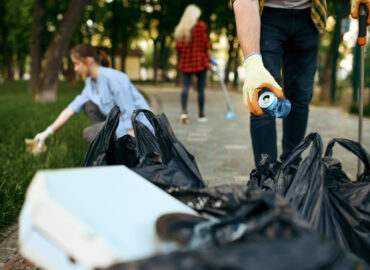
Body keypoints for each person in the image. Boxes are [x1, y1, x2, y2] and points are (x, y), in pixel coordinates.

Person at [232, 0, 327, 165]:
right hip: (266, 15)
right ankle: (266, 176)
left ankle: (292, 169)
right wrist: (253, 62)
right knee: (264, 96)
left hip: (310, 15)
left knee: (300, 95)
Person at [34, 43, 152, 146]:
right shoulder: (90, 83)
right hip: (118, 123)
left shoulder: (113, 77)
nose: (75, 69)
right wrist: (47, 132)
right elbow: (71, 108)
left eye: (77, 64)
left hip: (138, 128)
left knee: (89, 133)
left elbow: (129, 110)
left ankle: (114, 147)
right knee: (89, 105)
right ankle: (108, 145)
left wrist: (131, 142)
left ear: (88, 61)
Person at [174, 4, 212, 124]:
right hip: (200, 61)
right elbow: (206, 45)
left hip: (186, 62)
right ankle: (201, 115)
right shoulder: (201, 26)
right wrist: (210, 58)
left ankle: (184, 112)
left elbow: (178, 47)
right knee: (201, 89)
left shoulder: (181, 29)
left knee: (185, 87)